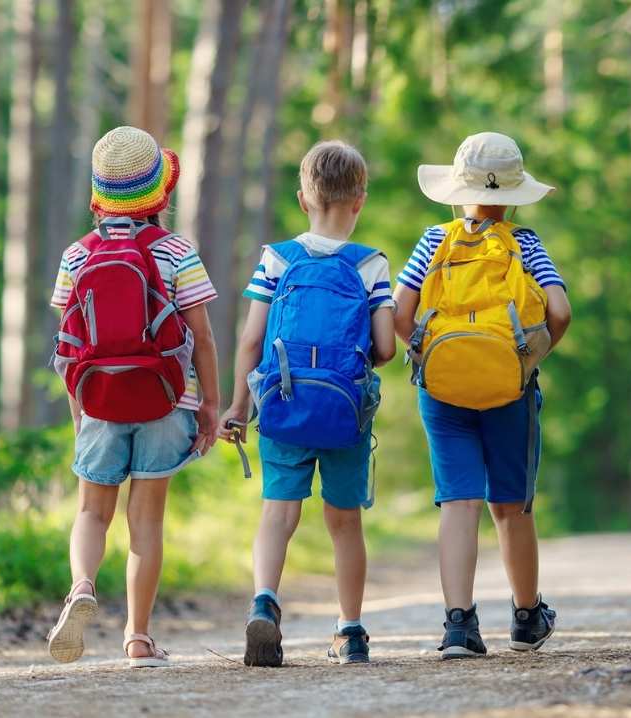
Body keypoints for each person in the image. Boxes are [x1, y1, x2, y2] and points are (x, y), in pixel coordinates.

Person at [392, 131, 573, 659]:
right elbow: (559, 312)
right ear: (514, 194)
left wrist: (428, 357)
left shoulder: (434, 240)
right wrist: (527, 359)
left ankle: (458, 625)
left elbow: (402, 313)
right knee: (511, 504)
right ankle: (525, 616)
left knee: (458, 500)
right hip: (509, 388)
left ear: (457, 188)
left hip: (443, 388)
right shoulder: (526, 242)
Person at [46, 126, 221, 668]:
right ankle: (138, 637)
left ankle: (80, 587)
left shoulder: (78, 256)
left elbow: (70, 346)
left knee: (92, 512)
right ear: (159, 193)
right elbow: (204, 337)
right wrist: (210, 405)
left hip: (99, 401)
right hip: (166, 401)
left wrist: (81, 411)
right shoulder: (176, 251)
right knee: (145, 523)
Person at [219, 140, 395, 667]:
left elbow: (252, 341)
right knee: (344, 522)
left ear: (303, 199)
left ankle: (265, 603)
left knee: (279, 513)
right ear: (359, 199)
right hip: (345, 414)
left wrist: (238, 407)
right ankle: (351, 631)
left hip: (283, 405)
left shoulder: (277, 258)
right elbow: (385, 347)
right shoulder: (370, 265)